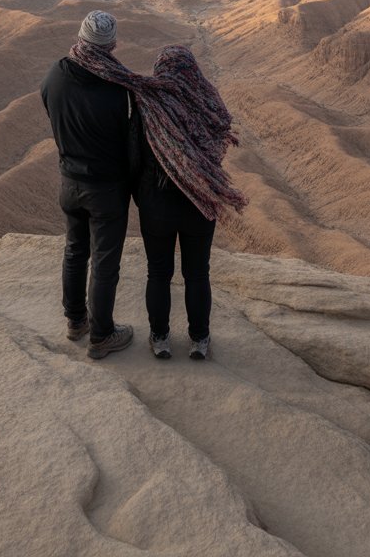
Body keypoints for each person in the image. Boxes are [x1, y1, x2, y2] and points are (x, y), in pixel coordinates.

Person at [65, 42, 247, 360]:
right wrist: (194, 175)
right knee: (197, 273)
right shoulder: (207, 98)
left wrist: (140, 192)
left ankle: (160, 339)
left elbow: (133, 156)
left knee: (159, 273)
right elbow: (218, 143)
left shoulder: (148, 102)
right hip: (200, 201)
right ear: (192, 70)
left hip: (156, 203)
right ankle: (199, 340)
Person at [40, 11, 136, 360]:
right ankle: (102, 335)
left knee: (74, 251)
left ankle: (75, 322)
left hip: (69, 181)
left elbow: (52, 114)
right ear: (111, 45)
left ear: (80, 37)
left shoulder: (54, 75)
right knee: (105, 263)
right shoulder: (116, 86)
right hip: (106, 188)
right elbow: (128, 138)